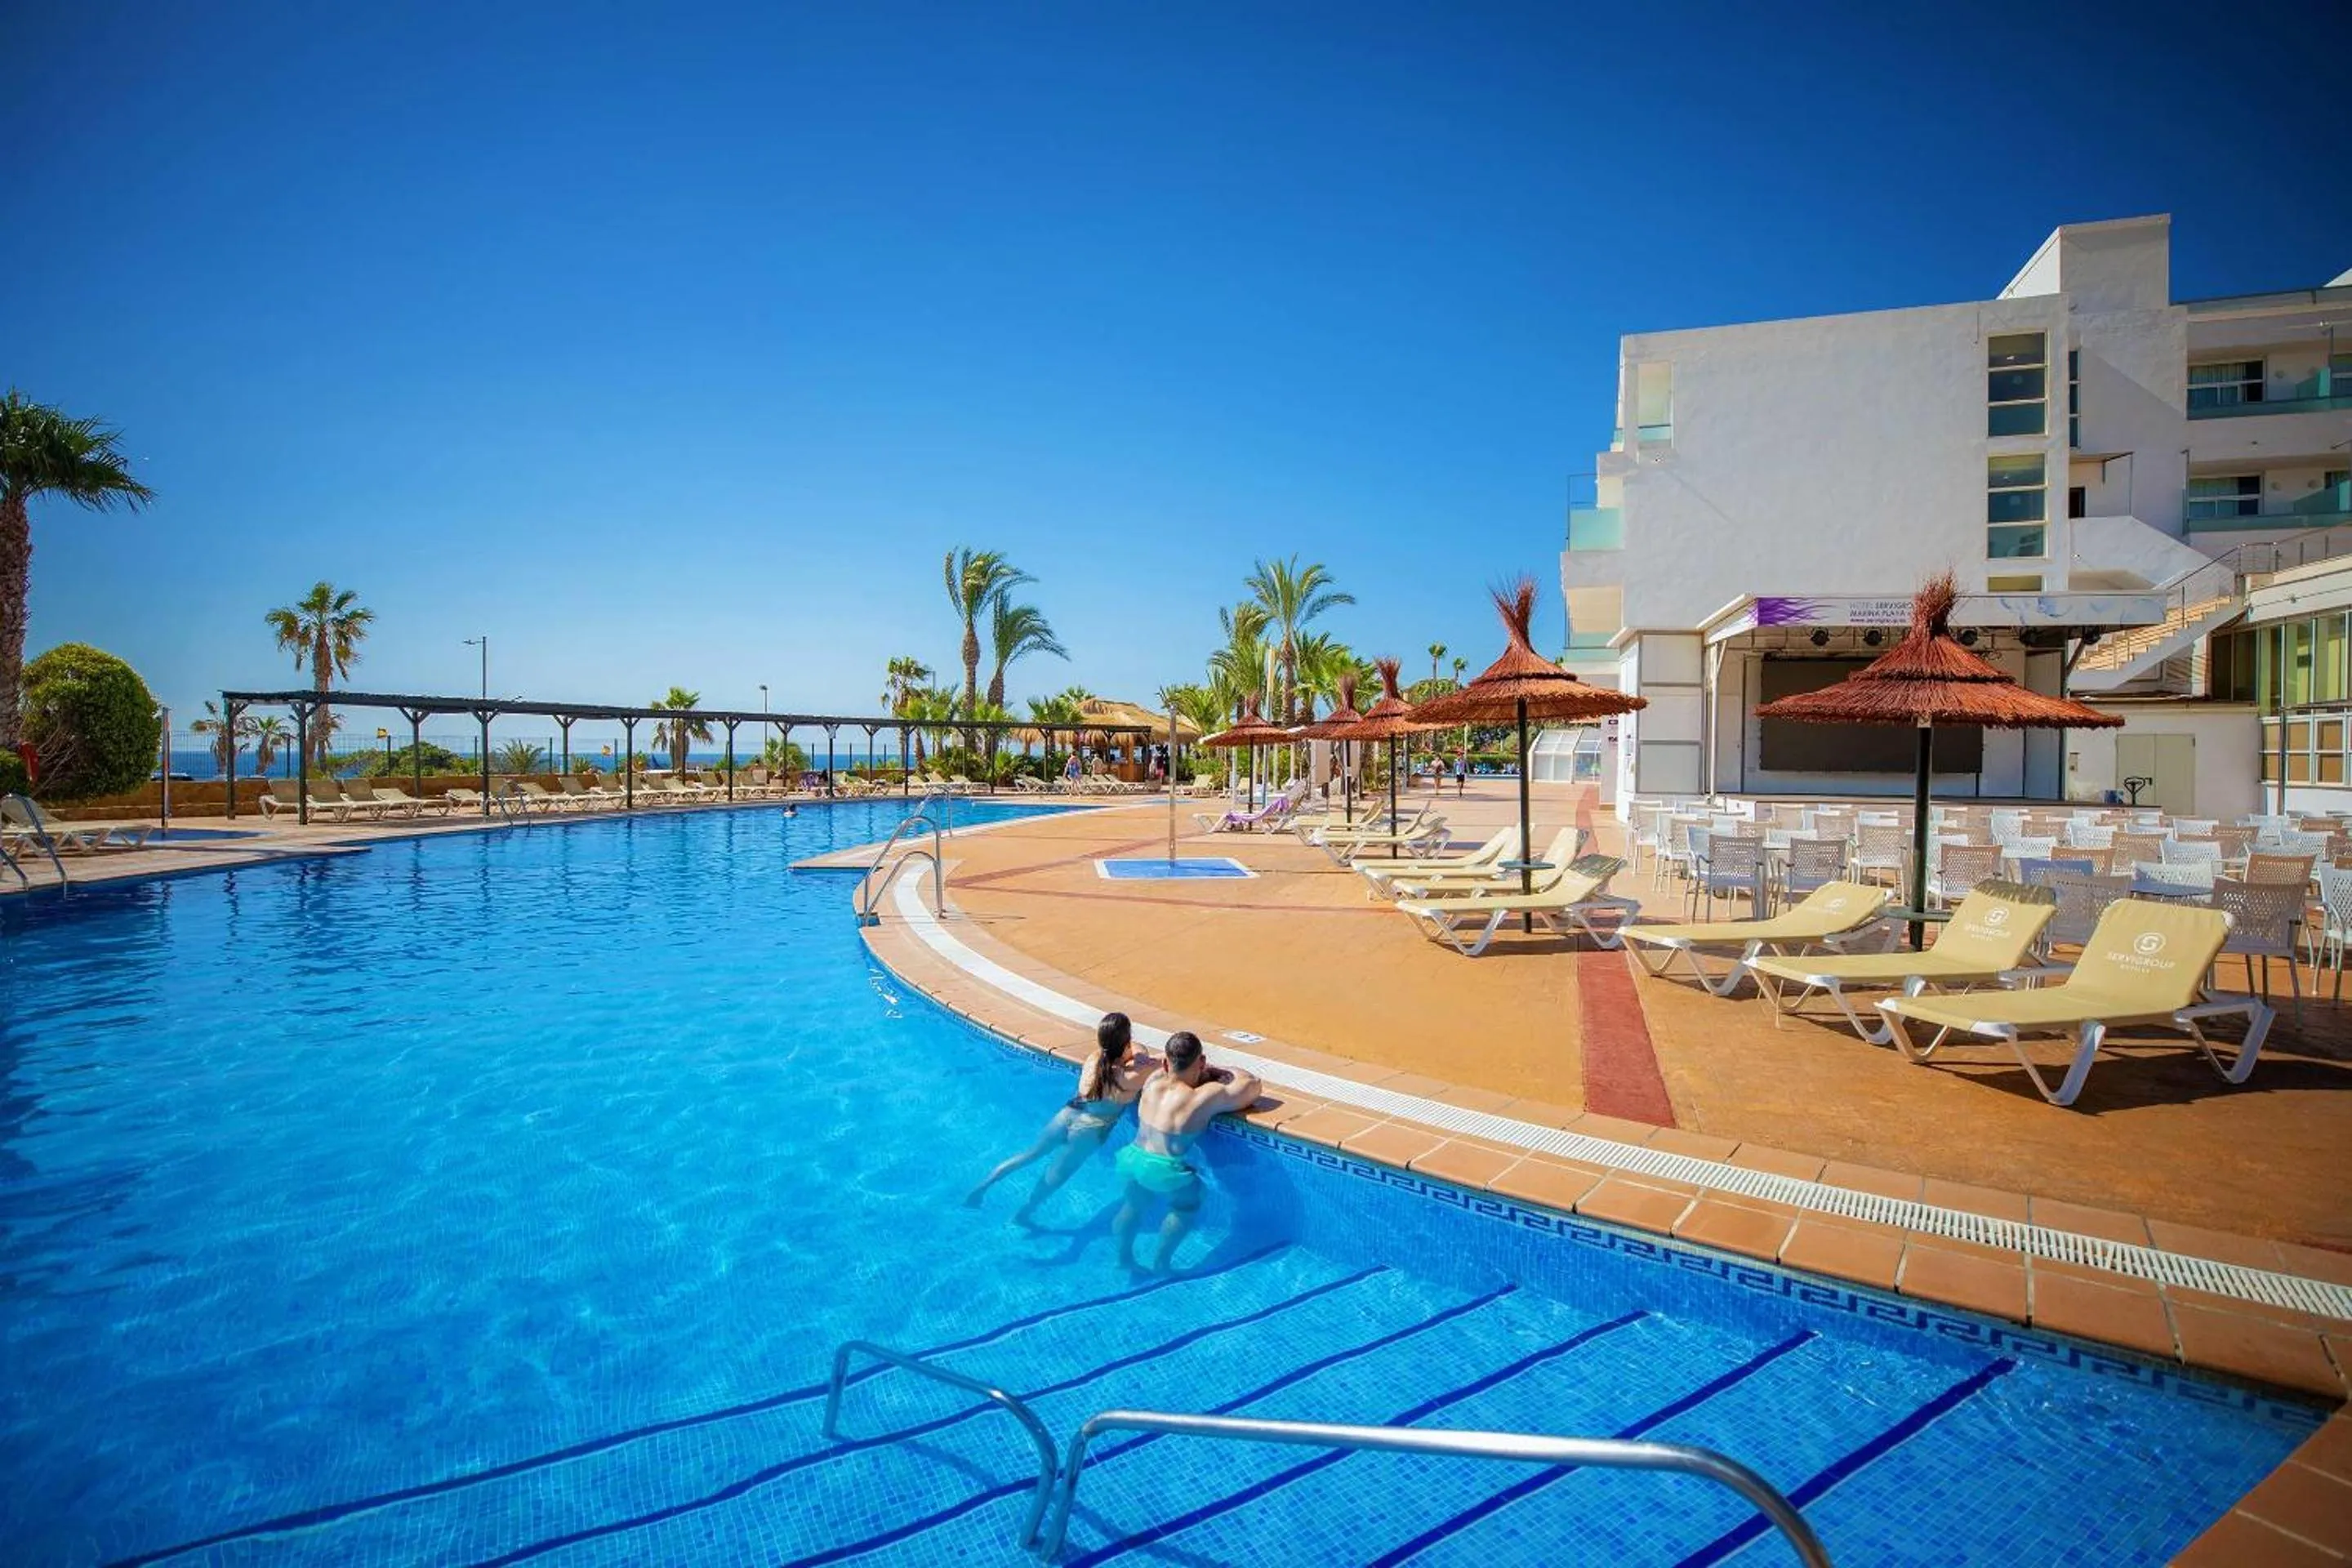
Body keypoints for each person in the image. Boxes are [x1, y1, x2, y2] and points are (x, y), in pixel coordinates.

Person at [966, 1013, 1153, 1223]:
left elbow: (1124, 1051)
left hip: (1068, 1114)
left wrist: (1130, 1052)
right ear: (1126, 1042)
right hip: (1090, 1129)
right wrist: (1138, 1056)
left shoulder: (1093, 1060)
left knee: (1029, 1154)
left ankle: (982, 1187)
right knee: (1057, 1174)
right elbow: (1154, 1057)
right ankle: (1025, 1212)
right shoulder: (1132, 1076)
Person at [1113, 1031, 1260, 1273]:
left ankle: (1123, 1258)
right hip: (1163, 1169)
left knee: (1132, 1205)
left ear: (1165, 1063)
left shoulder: (1152, 1083)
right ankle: (1161, 1263)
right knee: (1190, 1200)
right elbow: (1252, 1084)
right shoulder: (1202, 1097)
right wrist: (1216, 1071)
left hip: (1131, 1157)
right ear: (1201, 1063)